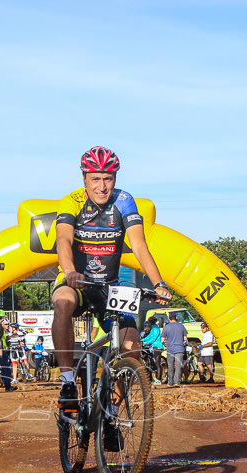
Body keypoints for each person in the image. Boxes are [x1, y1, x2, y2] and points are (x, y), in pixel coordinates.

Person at [51, 146, 171, 414]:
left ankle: (111, 412)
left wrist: (159, 283)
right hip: (78, 282)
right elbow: (63, 240)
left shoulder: (124, 200)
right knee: (62, 300)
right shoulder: (71, 201)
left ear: (115, 178)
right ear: (84, 178)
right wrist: (70, 271)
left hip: (110, 288)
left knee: (131, 347)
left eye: (108, 178)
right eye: (95, 178)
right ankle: (68, 382)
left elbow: (139, 246)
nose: (102, 186)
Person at [161, 316, 188, 387]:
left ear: (169, 318)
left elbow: (162, 340)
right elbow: (185, 339)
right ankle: (177, 382)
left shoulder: (166, 327)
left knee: (170, 366)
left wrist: (167, 344)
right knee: (178, 366)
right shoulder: (181, 326)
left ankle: (170, 382)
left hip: (170, 349)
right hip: (179, 348)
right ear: (176, 317)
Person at [139, 317, 163, 385]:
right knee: (155, 362)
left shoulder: (155, 328)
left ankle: (158, 379)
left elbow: (152, 339)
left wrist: (144, 343)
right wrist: (140, 340)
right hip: (154, 347)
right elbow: (149, 337)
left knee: (157, 363)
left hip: (157, 347)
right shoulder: (153, 328)